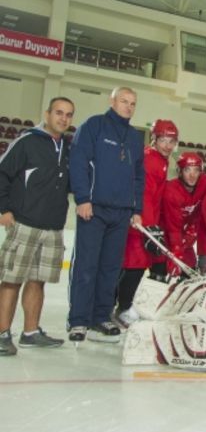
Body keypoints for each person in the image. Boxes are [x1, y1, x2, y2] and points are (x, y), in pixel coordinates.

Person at [68, 87, 144, 343]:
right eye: (124, 101)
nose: (128, 107)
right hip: (94, 209)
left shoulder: (135, 137)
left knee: (110, 269)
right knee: (86, 266)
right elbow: (78, 161)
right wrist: (82, 198)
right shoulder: (94, 126)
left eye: (133, 103)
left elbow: (138, 176)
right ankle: (78, 320)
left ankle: (100, 316)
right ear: (112, 101)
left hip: (121, 214)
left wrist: (137, 210)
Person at [0, 97, 74, 355]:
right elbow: (2, 172)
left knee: (38, 281)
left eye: (68, 115)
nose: (63, 118)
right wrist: (3, 208)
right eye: (59, 113)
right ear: (47, 114)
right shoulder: (27, 141)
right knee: (11, 280)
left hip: (53, 227)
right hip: (24, 222)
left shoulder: (67, 148)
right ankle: (1, 334)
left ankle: (30, 332)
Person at [114, 119, 178, 326]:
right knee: (134, 265)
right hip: (139, 222)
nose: (168, 145)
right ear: (154, 139)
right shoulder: (151, 159)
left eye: (172, 141)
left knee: (152, 264)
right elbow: (145, 194)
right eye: (164, 140)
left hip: (146, 221)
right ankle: (122, 308)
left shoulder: (162, 160)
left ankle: (127, 305)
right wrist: (149, 225)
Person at [160, 152, 206, 278]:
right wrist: (177, 251)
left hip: (182, 229)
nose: (192, 175)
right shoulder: (171, 191)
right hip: (165, 230)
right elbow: (173, 225)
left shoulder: (204, 184)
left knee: (190, 266)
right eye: (187, 170)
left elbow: (201, 210)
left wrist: (192, 230)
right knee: (164, 266)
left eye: (196, 170)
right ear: (180, 171)